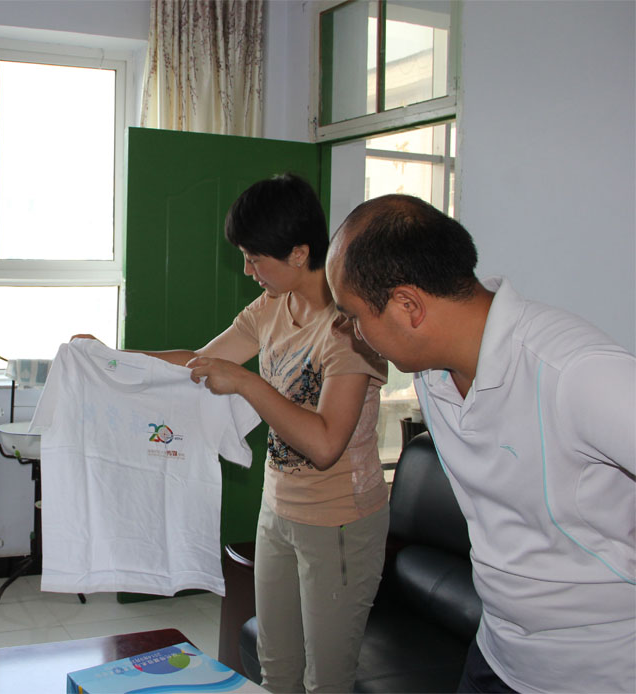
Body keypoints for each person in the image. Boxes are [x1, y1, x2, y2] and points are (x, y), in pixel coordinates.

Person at [76, 173, 389, 693]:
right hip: (279, 510)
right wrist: (110, 358)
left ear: (299, 253)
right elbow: (197, 363)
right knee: (276, 666)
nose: (247, 271)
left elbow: (325, 444)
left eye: (254, 258)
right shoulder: (272, 307)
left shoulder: (348, 328)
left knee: (326, 680)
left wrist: (247, 382)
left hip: (339, 524)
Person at [325, 193, 636, 694]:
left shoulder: (576, 371)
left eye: (355, 316)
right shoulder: (433, 374)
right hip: (498, 654)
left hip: (598, 672)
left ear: (408, 306)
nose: (354, 333)